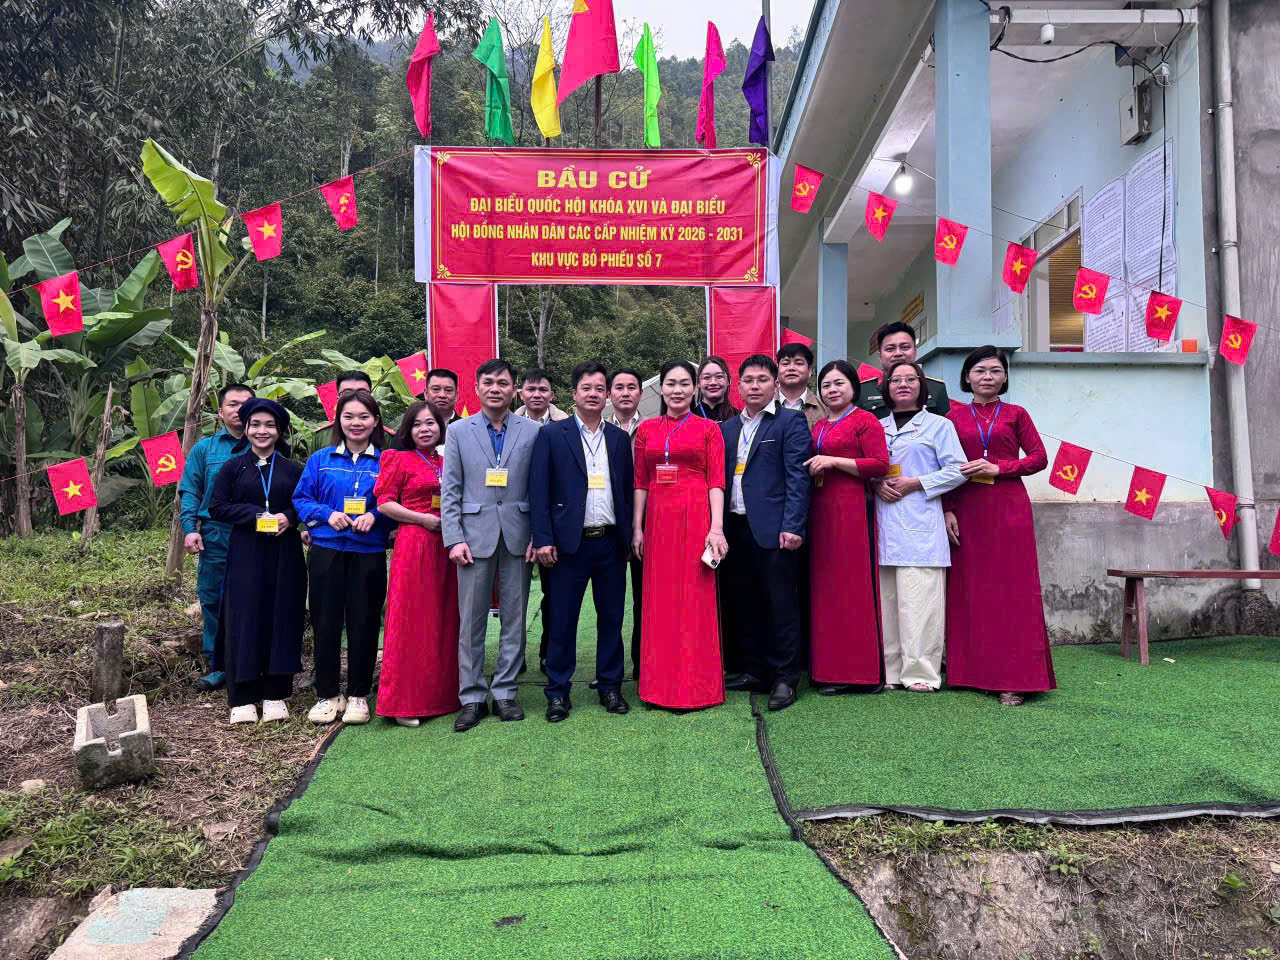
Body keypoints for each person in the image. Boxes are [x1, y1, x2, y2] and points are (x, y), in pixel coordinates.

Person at [943, 346, 1056, 706]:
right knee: (971, 590)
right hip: (966, 508)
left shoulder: (1016, 414)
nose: (987, 377)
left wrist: (1001, 468)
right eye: (980, 370)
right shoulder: (951, 417)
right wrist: (947, 509)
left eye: (995, 370)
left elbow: (1039, 458)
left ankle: (1015, 678)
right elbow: (943, 465)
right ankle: (971, 673)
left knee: (1013, 591)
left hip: (1008, 508)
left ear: (1005, 377)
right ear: (967, 377)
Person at [530, 362, 635, 722]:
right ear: (574, 393)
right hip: (566, 545)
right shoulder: (551, 435)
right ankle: (558, 692)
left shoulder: (618, 438)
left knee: (612, 618)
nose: (593, 394)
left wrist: (628, 536)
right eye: (586, 388)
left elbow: (626, 491)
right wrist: (543, 539)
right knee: (562, 620)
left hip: (609, 542)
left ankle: (610, 685)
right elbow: (538, 491)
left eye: (599, 388)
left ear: (607, 395)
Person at [442, 359, 538, 732]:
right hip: (472, 537)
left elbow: (539, 487)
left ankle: (506, 692)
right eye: (488, 382)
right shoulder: (457, 431)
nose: (495, 388)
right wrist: (454, 538)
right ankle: (471, 697)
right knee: (471, 622)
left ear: (514, 389)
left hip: (518, 535)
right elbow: (450, 488)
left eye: (503, 382)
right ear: (477, 388)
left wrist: (538, 535)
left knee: (515, 618)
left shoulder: (532, 431)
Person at [631, 360, 728, 710]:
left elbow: (716, 481)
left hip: (696, 518)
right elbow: (640, 481)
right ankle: (658, 687)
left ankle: (697, 688)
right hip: (658, 521)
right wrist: (637, 527)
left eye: (685, 383)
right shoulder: (646, 429)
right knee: (660, 601)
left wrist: (716, 527)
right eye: (671, 383)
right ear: (661, 389)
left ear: (695, 388)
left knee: (694, 600)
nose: (677, 390)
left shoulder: (709, 429)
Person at [293, 390, 392, 725]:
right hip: (327, 550)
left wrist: (375, 516)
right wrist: (326, 514)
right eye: (348, 416)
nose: (356, 423)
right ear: (339, 421)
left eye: (364, 416)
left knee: (365, 621)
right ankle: (327, 693)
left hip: (368, 552)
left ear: (375, 421)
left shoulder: (386, 461)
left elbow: (397, 501)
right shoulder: (320, 459)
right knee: (326, 621)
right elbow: (301, 498)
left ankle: (359, 694)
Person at [719, 355, 811, 711]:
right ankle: (754, 670)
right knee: (746, 602)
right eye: (748, 380)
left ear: (775, 385)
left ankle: (785, 678)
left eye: (762, 379)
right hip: (736, 528)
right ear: (738, 386)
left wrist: (793, 525)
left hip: (775, 530)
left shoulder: (790, 421)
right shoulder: (728, 428)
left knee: (781, 605)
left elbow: (797, 477)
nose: (754, 386)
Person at [208, 398, 306, 724]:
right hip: (246, 552)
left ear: (279, 431)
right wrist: (254, 515)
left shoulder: (293, 469)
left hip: (284, 551)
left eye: (269, 425)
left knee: (282, 614)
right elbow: (217, 507)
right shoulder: (232, 468)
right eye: (255, 425)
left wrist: (289, 517)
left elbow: (305, 503)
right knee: (244, 616)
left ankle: (276, 692)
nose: (262, 431)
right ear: (246, 428)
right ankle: (243, 695)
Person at [872, 360, 967, 692]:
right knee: (888, 602)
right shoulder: (876, 426)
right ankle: (891, 672)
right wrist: (874, 484)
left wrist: (918, 483)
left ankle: (922, 674)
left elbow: (958, 469)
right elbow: (868, 466)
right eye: (895, 380)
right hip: (884, 522)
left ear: (922, 386)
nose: (902, 384)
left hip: (921, 521)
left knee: (920, 604)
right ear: (886, 388)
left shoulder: (939, 426)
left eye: (910, 379)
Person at [803, 360, 890, 693]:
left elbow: (880, 464)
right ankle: (828, 669)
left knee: (853, 587)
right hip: (821, 509)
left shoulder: (865, 421)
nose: (832, 390)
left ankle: (861, 674)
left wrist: (835, 461)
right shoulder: (819, 425)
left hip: (852, 508)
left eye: (839, 383)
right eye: (826, 385)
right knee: (826, 588)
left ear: (854, 387)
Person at [373, 401, 462, 725]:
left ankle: (442, 695)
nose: (425, 429)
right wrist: (422, 519)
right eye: (417, 424)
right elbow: (384, 504)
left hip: (446, 546)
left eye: (431, 423)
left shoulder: (447, 460)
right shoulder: (397, 459)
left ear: (441, 426)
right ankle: (404, 704)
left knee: (444, 618)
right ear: (408, 430)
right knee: (411, 619)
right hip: (415, 544)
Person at [179, 383, 255, 691]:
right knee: (213, 598)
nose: (239, 410)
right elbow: (190, 490)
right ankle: (218, 663)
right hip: (215, 532)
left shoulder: (265, 443)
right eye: (233, 404)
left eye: (246, 404)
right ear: (220, 411)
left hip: (255, 532)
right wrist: (190, 528)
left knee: (254, 596)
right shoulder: (205, 449)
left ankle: (252, 661)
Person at [607, 367, 645, 682]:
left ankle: (642, 663)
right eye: (619, 387)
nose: (625, 392)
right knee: (610, 602)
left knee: (644, 598)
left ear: (640, 393)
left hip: (647, 521)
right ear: (609, 394)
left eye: (631, 387)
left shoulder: (653, 427)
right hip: (611, 523)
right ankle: (610, 668)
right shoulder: (598, 429)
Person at [857, 322, 951, 417]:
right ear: (880, 356)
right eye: (890, 349)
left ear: (915, 352)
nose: (898, 353)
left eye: (905, 347)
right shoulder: (861, 390)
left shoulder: (936, 388)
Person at [776, 342, 827, 430]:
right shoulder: (764, 406)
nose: (791, 368)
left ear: (809, 371)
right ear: (777, 370)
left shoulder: (826, 408)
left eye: (799, 363)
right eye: (785, 364)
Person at [694, 356, 739, 422]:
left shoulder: (740, 419)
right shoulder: (687, 419)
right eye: (707, 377)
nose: (713, 382)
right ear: (698, 382)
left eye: (719, 376)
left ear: (729, 381)